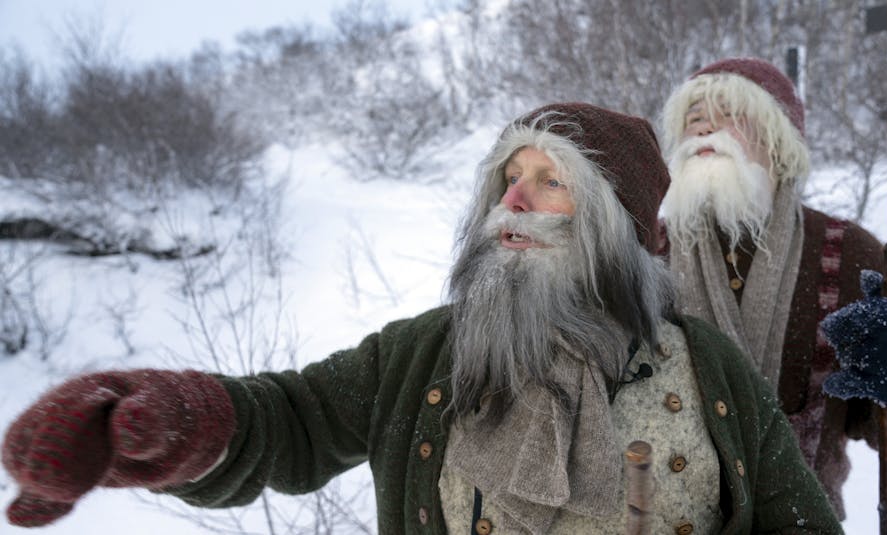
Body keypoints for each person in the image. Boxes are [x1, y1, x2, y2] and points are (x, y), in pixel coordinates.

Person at [2, 102, 842, 534]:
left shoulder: (708, 371)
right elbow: (290, 419)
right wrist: (183, 420)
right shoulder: (426, 356)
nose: (511, 199)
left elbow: (802, 523)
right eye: (508, 179)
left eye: (552, 180)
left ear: (616, 225)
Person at [658, 56, 887, 518]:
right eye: (693, 119)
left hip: (804, 524)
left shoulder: (852, 253)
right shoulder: (643, 252)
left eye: (727, 113)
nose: (703, 130)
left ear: (780, 140)